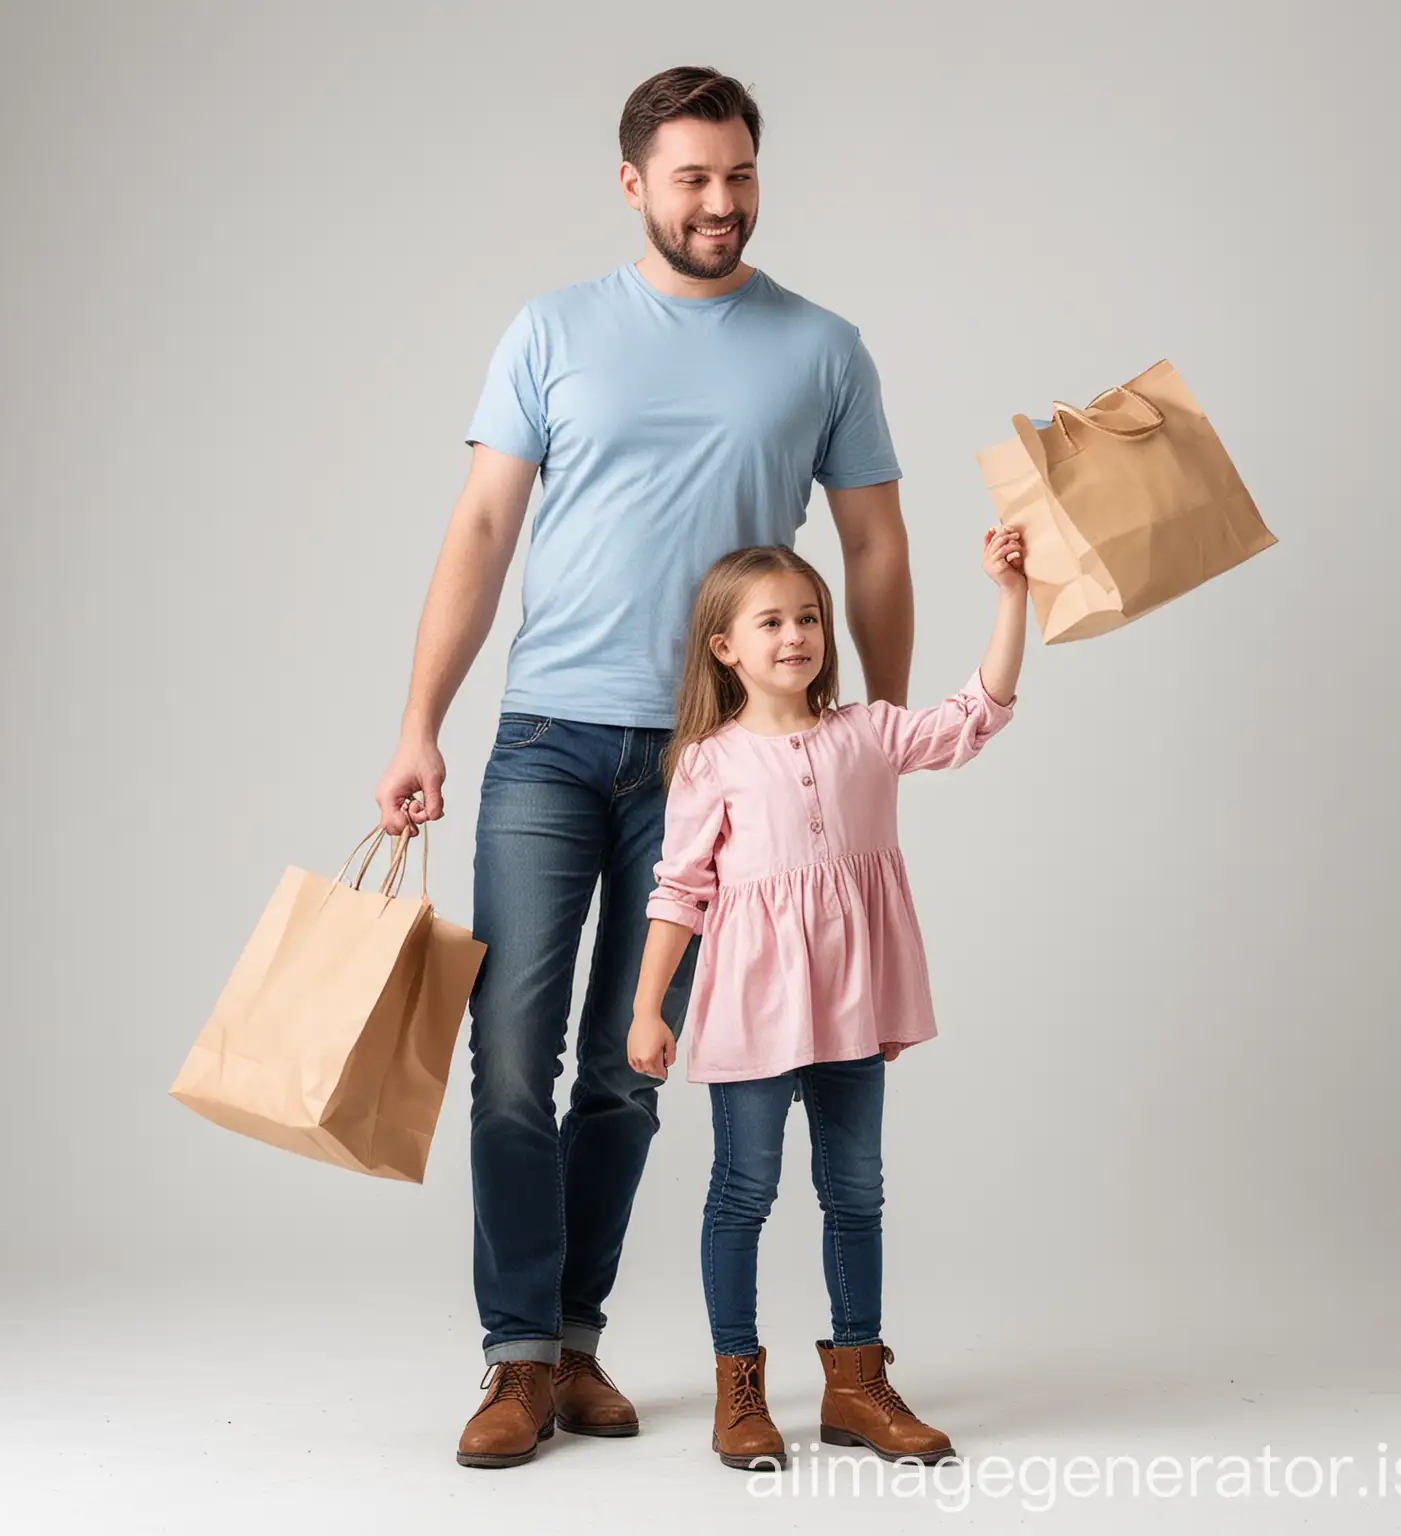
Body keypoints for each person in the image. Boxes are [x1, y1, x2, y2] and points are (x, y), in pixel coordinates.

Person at [372, 66, 917, 1469]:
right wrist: (419, 719)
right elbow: (485, 527)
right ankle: (515, 1359)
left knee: (629, 1072)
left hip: (715, 763)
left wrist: (877, 735)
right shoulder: (552, 332)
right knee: (509, 1061)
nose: (720, 203)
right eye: (692, 179)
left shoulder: (823, 347)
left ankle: (575, 1344)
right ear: (634, 184)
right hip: (550, 737)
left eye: (739, 176)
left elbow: (873, 548)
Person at [627, 531, 1027, 1469]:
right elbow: (678, 891)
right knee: (744, 1192)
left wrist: (1012, 596)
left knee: (856, 1191)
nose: (795, 635)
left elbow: (980, 712)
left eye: (807, 617)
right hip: (753, 1008)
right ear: (725, 647)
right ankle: (741, 1386)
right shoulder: (708, 762)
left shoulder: (867, 732)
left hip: (850, 1002)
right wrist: (650, 1008)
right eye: (769, 622)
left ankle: (856, 1382)